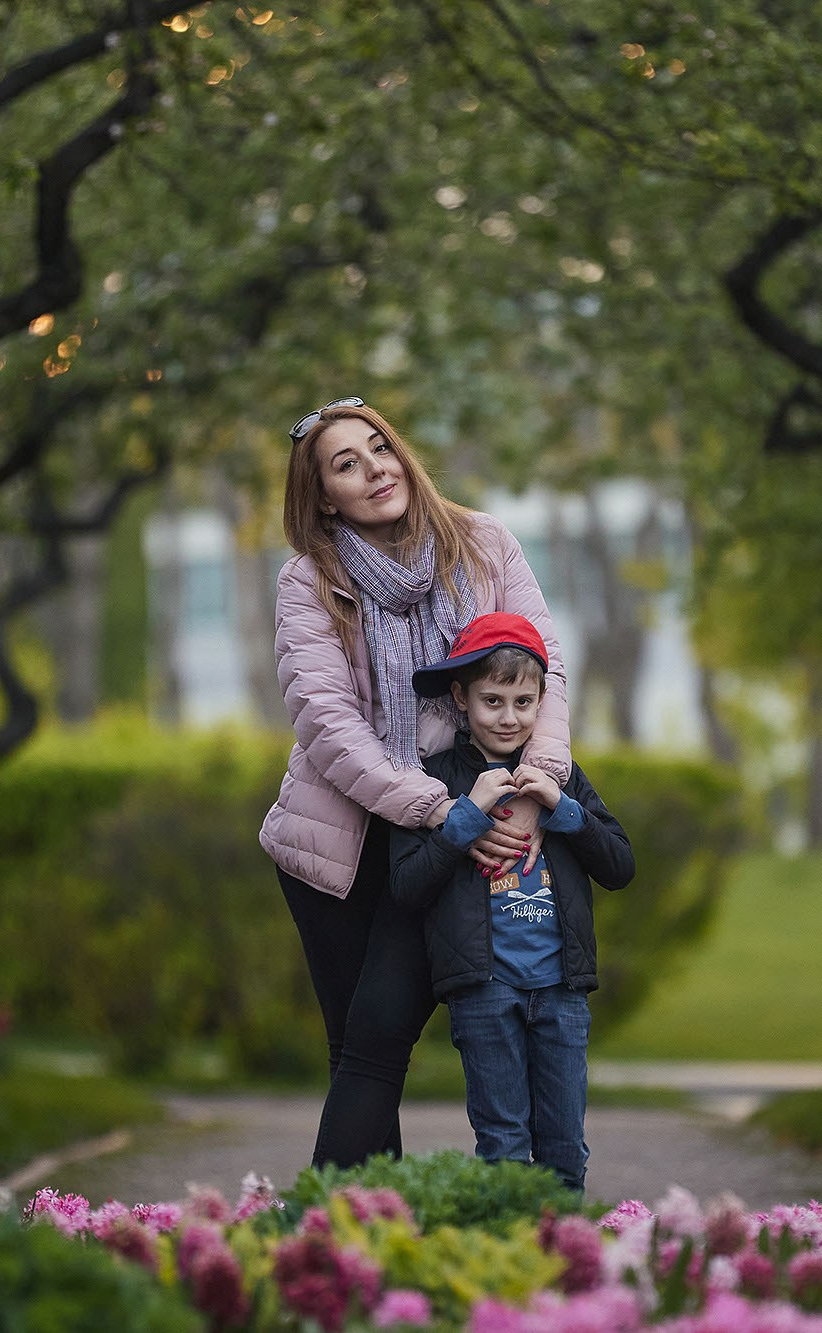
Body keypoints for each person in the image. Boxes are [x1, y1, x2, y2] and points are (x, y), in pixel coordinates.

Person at [260, 396, 573, 1170]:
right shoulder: (309, 580)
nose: (374, 471)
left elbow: (546, 670)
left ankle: (334, 1239)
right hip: (343, 845)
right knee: (362, 1048)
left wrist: (535, 789)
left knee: (377, 1038)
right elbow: (327, 724)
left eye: (379, 449)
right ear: (323, 495)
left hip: (444, 843)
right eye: (346, 464)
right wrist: (442, 808)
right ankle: (365, 1237)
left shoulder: (484, 544)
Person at [386, 613, 634, 1192]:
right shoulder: (434, 780)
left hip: (561, 990)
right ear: (461, 697)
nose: (508, 717)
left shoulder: (561, 777)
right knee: (502, 1145)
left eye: (524, 702)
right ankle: (511, 1267)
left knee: (566, 1149)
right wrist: (464, 816)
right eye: (492, 700)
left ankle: (565, 1266)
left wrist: (564, 811)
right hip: (484, 990)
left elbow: (620, 865)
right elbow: (407, 885)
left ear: (542, 701)